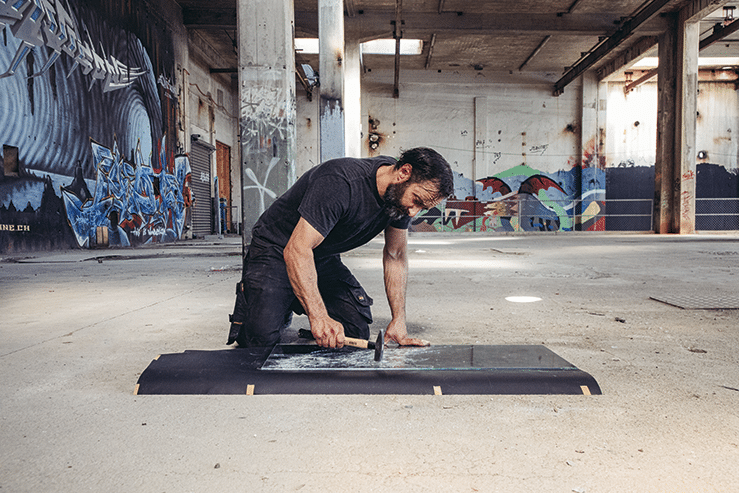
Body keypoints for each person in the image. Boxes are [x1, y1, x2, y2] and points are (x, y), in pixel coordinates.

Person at [227, 147, 454, 349]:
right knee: (259, 340)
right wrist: (318, 316)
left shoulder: (399, 200)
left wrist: (398, 320)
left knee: (354, 331)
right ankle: (278, 298)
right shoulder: (340, 181)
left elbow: (395, 255)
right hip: (277, 248)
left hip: (321, 255)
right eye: (416, 200)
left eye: (423, 207)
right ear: (403, 173)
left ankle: (297, 294)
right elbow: (296, 250)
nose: (414, 212)